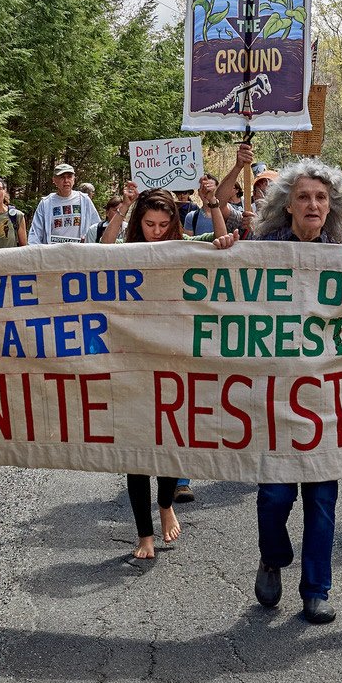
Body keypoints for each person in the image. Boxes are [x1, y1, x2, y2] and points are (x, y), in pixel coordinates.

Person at [242, 159, 342, 624]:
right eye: (305, 197)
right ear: (288, 204)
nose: (313, 205)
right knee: (274, 498)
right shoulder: (261, 251)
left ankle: (316, 589)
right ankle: (272, 556)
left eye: (322, 198)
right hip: (273, 397)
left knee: (322, 498)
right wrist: (226, 245)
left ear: (332, 207)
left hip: (325, 397)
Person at [101, 182, 230, 558]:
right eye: (149, 224)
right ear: (139, 223)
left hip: (177, 358)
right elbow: (99, 252)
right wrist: (124, 206)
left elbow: (223, 243)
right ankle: (144, 535)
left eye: (162, 224)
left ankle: (166, 503)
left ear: (173, 223)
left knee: (174, 440)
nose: (156, 231)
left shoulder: (188, 244)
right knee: (137, 449)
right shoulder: (128, 251)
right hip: (133, 361)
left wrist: (213, 206)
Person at [28, 163, 100, 244]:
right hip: (53, 253)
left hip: (79, 252)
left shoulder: (84, 200)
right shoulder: (46, 203)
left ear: (73, 179)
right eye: (62, 177)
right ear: (54, 180)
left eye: (69, 177)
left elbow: (96, 226)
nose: (66, 181)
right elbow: (35, 232)